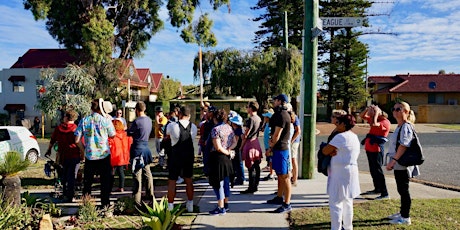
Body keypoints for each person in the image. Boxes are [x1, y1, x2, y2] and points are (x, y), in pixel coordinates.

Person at [322, 114, 361, 230]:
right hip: (351, 171)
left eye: (338, 123)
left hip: (340, 173)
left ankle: (336, 227)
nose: (336, 124)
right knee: (348, 201)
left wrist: (329, 150)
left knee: (336, 202)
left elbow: (325, 150)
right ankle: (348, 227)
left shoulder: (340, 137)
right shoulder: (353, 136)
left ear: (344, 124)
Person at [75, 99, 116, 208]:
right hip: (104, 154)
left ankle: (86, 204)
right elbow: (112, 134)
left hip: (90, 155)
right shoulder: (105, 120)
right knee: (105, 181)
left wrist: (83, 149)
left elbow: (76, 139)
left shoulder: (84, 121)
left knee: (88, 182)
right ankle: (105, 204)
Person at [385, 101, 420, 225]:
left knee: (404, 190)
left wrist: (393, 161)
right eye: (393, 108)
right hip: (399, 162)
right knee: (401, 189)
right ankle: (402, 212)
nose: (395, 111)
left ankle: (405, 217)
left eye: (398, 109)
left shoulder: (406, 126)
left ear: (406, 111)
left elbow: (404, 145)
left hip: (402, 163)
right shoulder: (400, 126)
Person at [166, 105, 197, 212]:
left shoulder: (172, 126)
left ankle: (170, 206)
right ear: (189, 115)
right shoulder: (194, 127)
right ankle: (190, 204)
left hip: (176, 155)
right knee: (189, 180)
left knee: (172, 181)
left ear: (179, 114)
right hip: (188, 155)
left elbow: (168, 137)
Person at [45, 110, 81, 202]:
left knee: (64, 175)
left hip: (62, 155)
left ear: (66, 117)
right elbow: (80, 142)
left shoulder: (59, 128)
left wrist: (49, 150)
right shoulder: (76, 128)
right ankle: (70, 195)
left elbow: (52, 140)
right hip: (74, 154)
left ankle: (65, 193)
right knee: (72, 176)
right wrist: (83, 153)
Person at [266, 94, 292, 213]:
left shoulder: (282, 115)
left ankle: (287, 203)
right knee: (279, 175)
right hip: (278, 149)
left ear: (280, 102)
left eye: (275, 100)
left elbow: (277, 135)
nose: (273, 102)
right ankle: (279, 197)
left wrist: (270, 147)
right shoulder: (279, 114)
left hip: (282, 149)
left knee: (285, 176)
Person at [208, 109, 237, 216]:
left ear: (215, 118)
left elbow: (218, 147)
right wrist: (229, 150)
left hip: (218, 159)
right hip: (227, 160)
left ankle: (220, 207)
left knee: (217, 183)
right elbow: (235, 142)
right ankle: (226, 203)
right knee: (226, 182)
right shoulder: (229, 128)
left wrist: (226, 152)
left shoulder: (215, 130)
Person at [127, 101, 155, 208]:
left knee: (137, 174)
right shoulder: (148, 120)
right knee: (147, 173)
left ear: (136, 110)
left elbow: (129, 132)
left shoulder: (137, 122)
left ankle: (137, 200)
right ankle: (150, 195)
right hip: (146, 147)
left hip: (137, 148)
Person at [360, 105, 390, 199]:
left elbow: (373, 124)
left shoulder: (385, 122)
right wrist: (366, 109)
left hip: (377, 149)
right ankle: (377, 189)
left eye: (371, 111)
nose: (370, 113)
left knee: (378, 171)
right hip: (370, 148)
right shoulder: (375, 119)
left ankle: (385, 193)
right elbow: (362, 116)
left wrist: (376, 112)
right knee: (373, 170)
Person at [240, 101, 263, 194]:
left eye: (247, 107)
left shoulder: (250, 119)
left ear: (251, 108)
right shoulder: (258, 118)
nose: (247, 108)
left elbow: (246, 134)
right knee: (256, 165)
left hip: (249, 143)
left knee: (250, 166)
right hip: (256, 142)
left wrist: (241, 146)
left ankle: (251, 187)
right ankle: (256, 185)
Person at [109, 119, 132, 192]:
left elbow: (109, 145)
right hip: (123, 156)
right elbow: (131, 142)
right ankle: (121, 187)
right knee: (121, 172)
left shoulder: (112, 136)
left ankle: (109, 187)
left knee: (111, 173)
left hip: (114, 156)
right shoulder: (126, 135)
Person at [229, 114, 245, 187]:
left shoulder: (237, 131)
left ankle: (240, 178)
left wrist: (233, 147)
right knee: (238, 163)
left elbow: (237, 140)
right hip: (238, 148)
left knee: (238, 164)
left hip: (237, 148)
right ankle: (240, 177)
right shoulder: (241, 130)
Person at [261, 109, 275, 181]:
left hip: (269, 146)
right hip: (266, 145)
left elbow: (270, 136)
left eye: (266, 117)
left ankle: (272, 174)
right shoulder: (267, 124)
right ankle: (270, 172)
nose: (264, 118)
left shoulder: (270, 126)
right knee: (269, 160)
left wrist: (270, 147)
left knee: (271, 160)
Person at [289, 111, 301, 186]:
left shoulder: (294, 117)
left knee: (293, 158)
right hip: (291, 140)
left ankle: (294, 179)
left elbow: (298, 131)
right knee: (291, 159)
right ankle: (292, 177)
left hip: (294, 141)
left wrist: (291, 140)